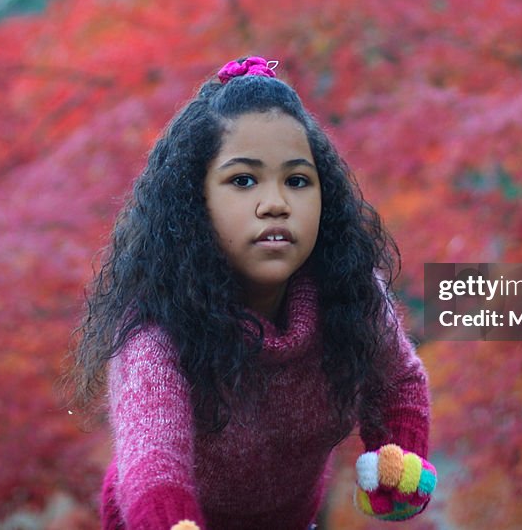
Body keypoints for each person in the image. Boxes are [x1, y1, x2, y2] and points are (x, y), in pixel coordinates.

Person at [70, 57, 436, 529]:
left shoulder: (351, 293)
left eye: (298, 181)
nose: (276, 203)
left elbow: (399, 381)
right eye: (243, 180)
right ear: (194, 203)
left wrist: (399, 458)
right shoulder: (157, 329)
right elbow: (153, 467)